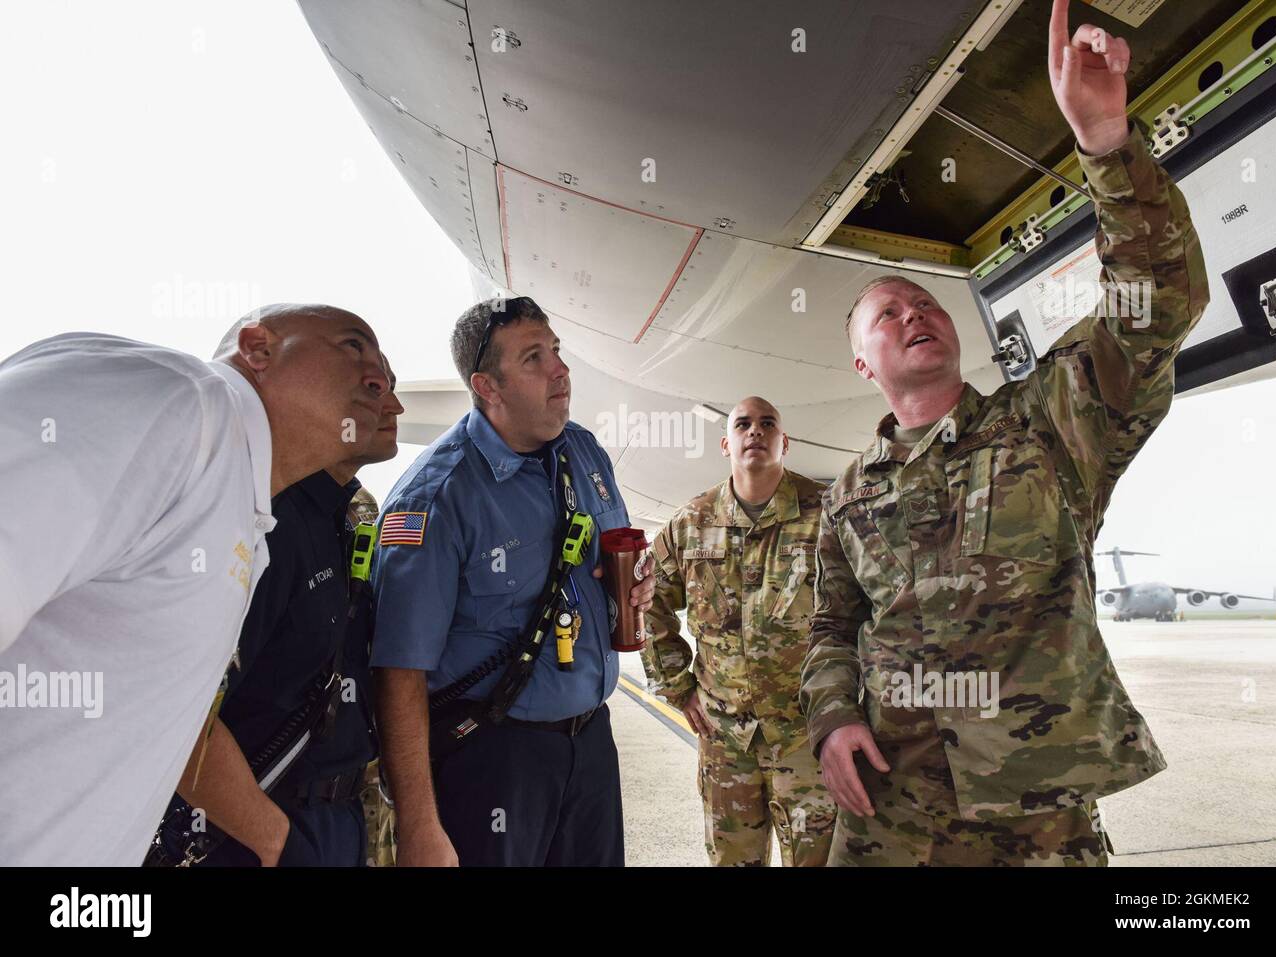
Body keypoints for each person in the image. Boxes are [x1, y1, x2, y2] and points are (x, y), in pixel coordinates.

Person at [802, 0, 1210, 866]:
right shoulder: (847, 498)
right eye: (887, 314)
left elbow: (1156, 309)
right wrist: (833, 718)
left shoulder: (1050, 422)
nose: (914, 312)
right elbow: (831, 629)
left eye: (923, 302)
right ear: (863, 366)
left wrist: (1105, 144)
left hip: (1037, 814)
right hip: (890, 813)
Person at [0, 304, 388, 865]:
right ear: (258, 349)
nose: (379, 378)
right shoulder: (183, 402)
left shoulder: (243, 507)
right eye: (352, 347)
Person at [371, 295, 654, 866]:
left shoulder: (583, 452)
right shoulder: (436, 499)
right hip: (493, 757)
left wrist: (633, 587)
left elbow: (610, 562)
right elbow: (398, 673)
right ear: (488, 386)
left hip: (590, 743)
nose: (560, 369)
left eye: (555, 350)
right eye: (533, 358)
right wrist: (419, 824)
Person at [158, 356, 405, 867]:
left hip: (335, 823)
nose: (394, 406)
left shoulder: (354, 513)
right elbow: (178, 717)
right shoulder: (265, 526)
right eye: (371, 389)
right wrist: (278, 844)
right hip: (254, 830)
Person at [642, 396, 835, 866]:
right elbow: (650, 607)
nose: (756, 432)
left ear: (784, 443)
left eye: (768, 423)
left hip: (805, 733)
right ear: (727, 443)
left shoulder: (825, 514)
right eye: (744, 424)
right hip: (726, 737)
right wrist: (679, 687)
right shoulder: (691, 524)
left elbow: (863, 608)